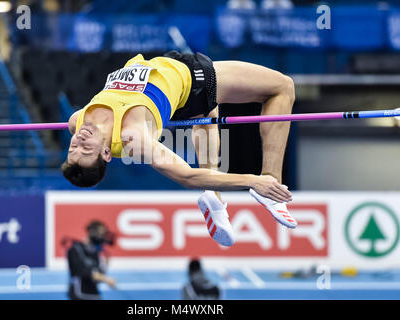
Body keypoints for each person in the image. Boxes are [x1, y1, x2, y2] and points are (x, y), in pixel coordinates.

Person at [61, 50, 297, 247]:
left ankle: (213, 198)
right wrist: (253, 181)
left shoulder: (76, 121)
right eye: (86, 150)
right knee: (282, 87)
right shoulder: (134, 138)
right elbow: (187, 176)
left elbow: (80, 139)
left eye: (73, 149)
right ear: (105, 153)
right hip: (192, 79)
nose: (79, 142)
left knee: (207, 116)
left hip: (164, 70)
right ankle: (271, 182)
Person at [67, 220, 116, 300]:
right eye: (101, 234)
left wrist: (105, 264)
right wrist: (105, 279)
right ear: (92, 232)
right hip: (80, 294)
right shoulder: (75, 249)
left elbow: (98, 274)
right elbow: (81, 271)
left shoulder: (95, 252)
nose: (102, 237)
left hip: (94, 294)